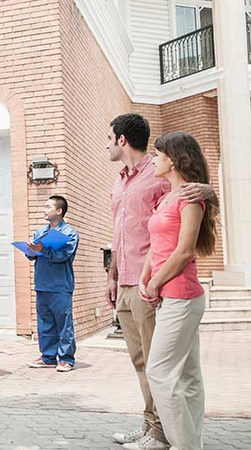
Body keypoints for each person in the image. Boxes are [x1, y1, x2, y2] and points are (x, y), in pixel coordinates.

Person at [104, 114, 215, 450]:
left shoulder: (158, 177)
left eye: (109, 137)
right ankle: (151, 425)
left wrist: (211, 191)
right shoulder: (120, 183)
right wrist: (112, 274)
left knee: (159, 366)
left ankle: (164, 434)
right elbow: (120, 232)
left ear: (122, 139)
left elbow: (190, 199)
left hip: (157, 283)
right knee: (143, 361)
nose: (106, 144)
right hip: (127, 279)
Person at [140, 132, 218, 450]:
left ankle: (184, 445)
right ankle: (191, 442)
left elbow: (184, 251)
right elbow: (156, 246)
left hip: (182, 296)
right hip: (168, 295)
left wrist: (156, 282)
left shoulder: (191, 198)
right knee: (187, 376)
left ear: (171, 159)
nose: (153, 160)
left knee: (159, 371)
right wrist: (147, 277)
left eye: (157, 155)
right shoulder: (165, 198)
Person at [26, 195, 79, 373]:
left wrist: (43, 250)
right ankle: (48, 356)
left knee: (63, 323)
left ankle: (66, 358)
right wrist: (31, 250)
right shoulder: (40, 233)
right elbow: (32, 256)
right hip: (42, 284)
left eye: (48, 206)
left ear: (59, 211)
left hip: (60, 286)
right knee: (45, 323)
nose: (44, 209)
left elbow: (63, 256)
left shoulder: (70, 234)